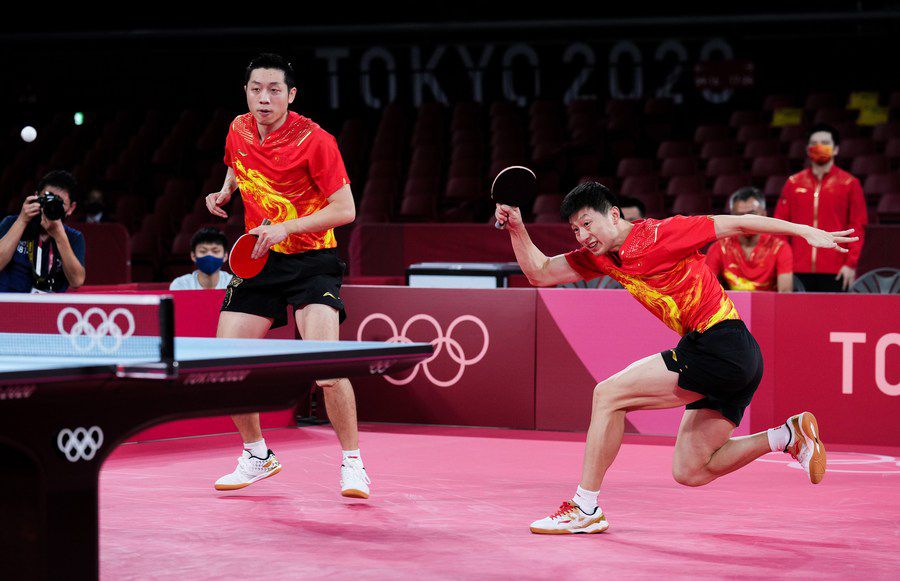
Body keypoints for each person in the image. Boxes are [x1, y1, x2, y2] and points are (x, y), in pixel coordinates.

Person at [495, 182, 853, 534]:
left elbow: (738, 222)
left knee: (608, 394)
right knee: (691, 470)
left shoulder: (662, 234)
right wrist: (517, 228)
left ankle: (585, 507)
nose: (582, 235)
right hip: (730, 356)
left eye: (587, 223)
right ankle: (786, 436)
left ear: (614, 214)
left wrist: (804, 230)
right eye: (575, 229)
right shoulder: (599, 258)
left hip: (720, 345)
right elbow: (539, 273)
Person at [204, 54, 367, 497]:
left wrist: (286, 228)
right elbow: (238, 164)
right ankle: (257, 455)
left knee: (326, 366)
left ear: (291, 95)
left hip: (312, 259)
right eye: (256, 88)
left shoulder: (316, 140)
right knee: (225, 361)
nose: (264, 97)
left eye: (274, 89)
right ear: (246, 92)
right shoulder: (238, 128)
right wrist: (225, 190)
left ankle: (353, 463)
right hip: (260, 256)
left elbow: (345, 210)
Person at [775, 123, 867, 292]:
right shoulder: (793, 183)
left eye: (825, 142)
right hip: (797, 269)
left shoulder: (850, 184)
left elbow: (857, 228)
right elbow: (780, 226)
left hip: (836, 270)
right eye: (814, 143)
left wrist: (850, 264)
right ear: (808, 149)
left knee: (833, 318)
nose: (819, 147)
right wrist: (784, 264)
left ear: (836, 149)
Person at [0, 170, 85, 293]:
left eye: (59, 203)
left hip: (49, 309)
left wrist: (59, 236)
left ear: (71, 208)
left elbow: (77, 281)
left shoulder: (74, 237)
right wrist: (22, 220)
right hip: (10, 305)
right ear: (36, 197)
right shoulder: (12, 223)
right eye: (47, 199)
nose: (51, 206)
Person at [706, 187, 793, 292]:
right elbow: (707, 291)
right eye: (739, 215)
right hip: (733, 307)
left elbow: (785, 293)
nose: (746, 221)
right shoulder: (718, 248)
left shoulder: (780, 248)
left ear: (764, 215)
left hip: (769, 307)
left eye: (752, 214)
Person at [169, 227, 234, 290]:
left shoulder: (235, 285)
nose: (209, 255)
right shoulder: (181, 285)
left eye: (215, 251)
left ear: (225, 256)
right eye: (203, 251)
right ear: (193, 256)